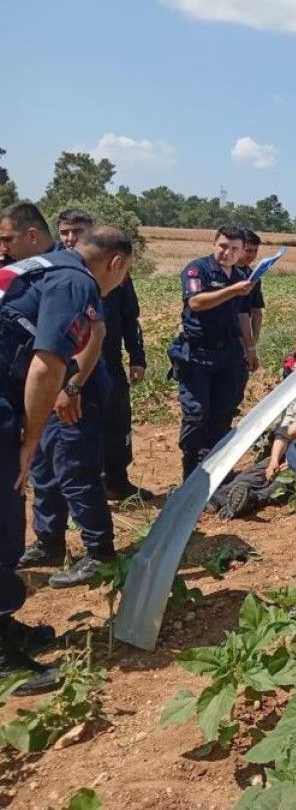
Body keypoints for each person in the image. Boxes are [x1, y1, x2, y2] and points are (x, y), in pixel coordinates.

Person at [0, 207, 132, 693]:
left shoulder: (42, 267)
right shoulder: (78, 283)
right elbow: (45, 366)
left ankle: (5, 627)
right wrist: (30, 440)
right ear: (116, 264)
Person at [16, 210, 122, 587]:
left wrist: (70, 387)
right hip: (44, 389)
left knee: (75, 470)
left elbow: (95, 334)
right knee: (44, 469)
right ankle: (49, 542)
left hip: (70, 388)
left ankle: (99, 552)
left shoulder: (79, 278)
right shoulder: (55, 268)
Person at [53, 210, 151, 502]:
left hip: (108, 360)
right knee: (77, 428)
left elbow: (129, 316)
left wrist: (137, 356)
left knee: (117, 422)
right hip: (70, 365)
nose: (71, 238)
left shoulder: (114, 268)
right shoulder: (55, 268)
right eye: (65, 232)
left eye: (78, 231)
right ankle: (82, 492)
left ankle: (117, 482)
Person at [212, 350, 296, 520]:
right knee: (261, 469)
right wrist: (275, 460)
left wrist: (292, 462)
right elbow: (284, 432)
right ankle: (220, 498)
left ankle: (253, 499)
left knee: (285, 481)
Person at [169, 226, 258, 478]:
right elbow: (196, 302)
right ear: (214, 244)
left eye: (234, 249)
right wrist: (233, 290)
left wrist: (250, 348)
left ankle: (217, 470)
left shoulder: (241, 276)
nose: (227, 252)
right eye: (223, 246)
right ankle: (191, 472)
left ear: (241, 251)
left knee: (223, 412)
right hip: (198, 354)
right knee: (196, 414)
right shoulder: (198, 269)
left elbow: (243, 315)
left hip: (229, 355)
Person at [232, 229, 266, 408]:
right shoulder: (226, 273)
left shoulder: (253, 277)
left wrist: (253, 343)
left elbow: (256, 311)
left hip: (244, 339)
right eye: (248, 250)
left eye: (255, 251)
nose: (252, 256)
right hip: (228, 336)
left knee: (237, 387)